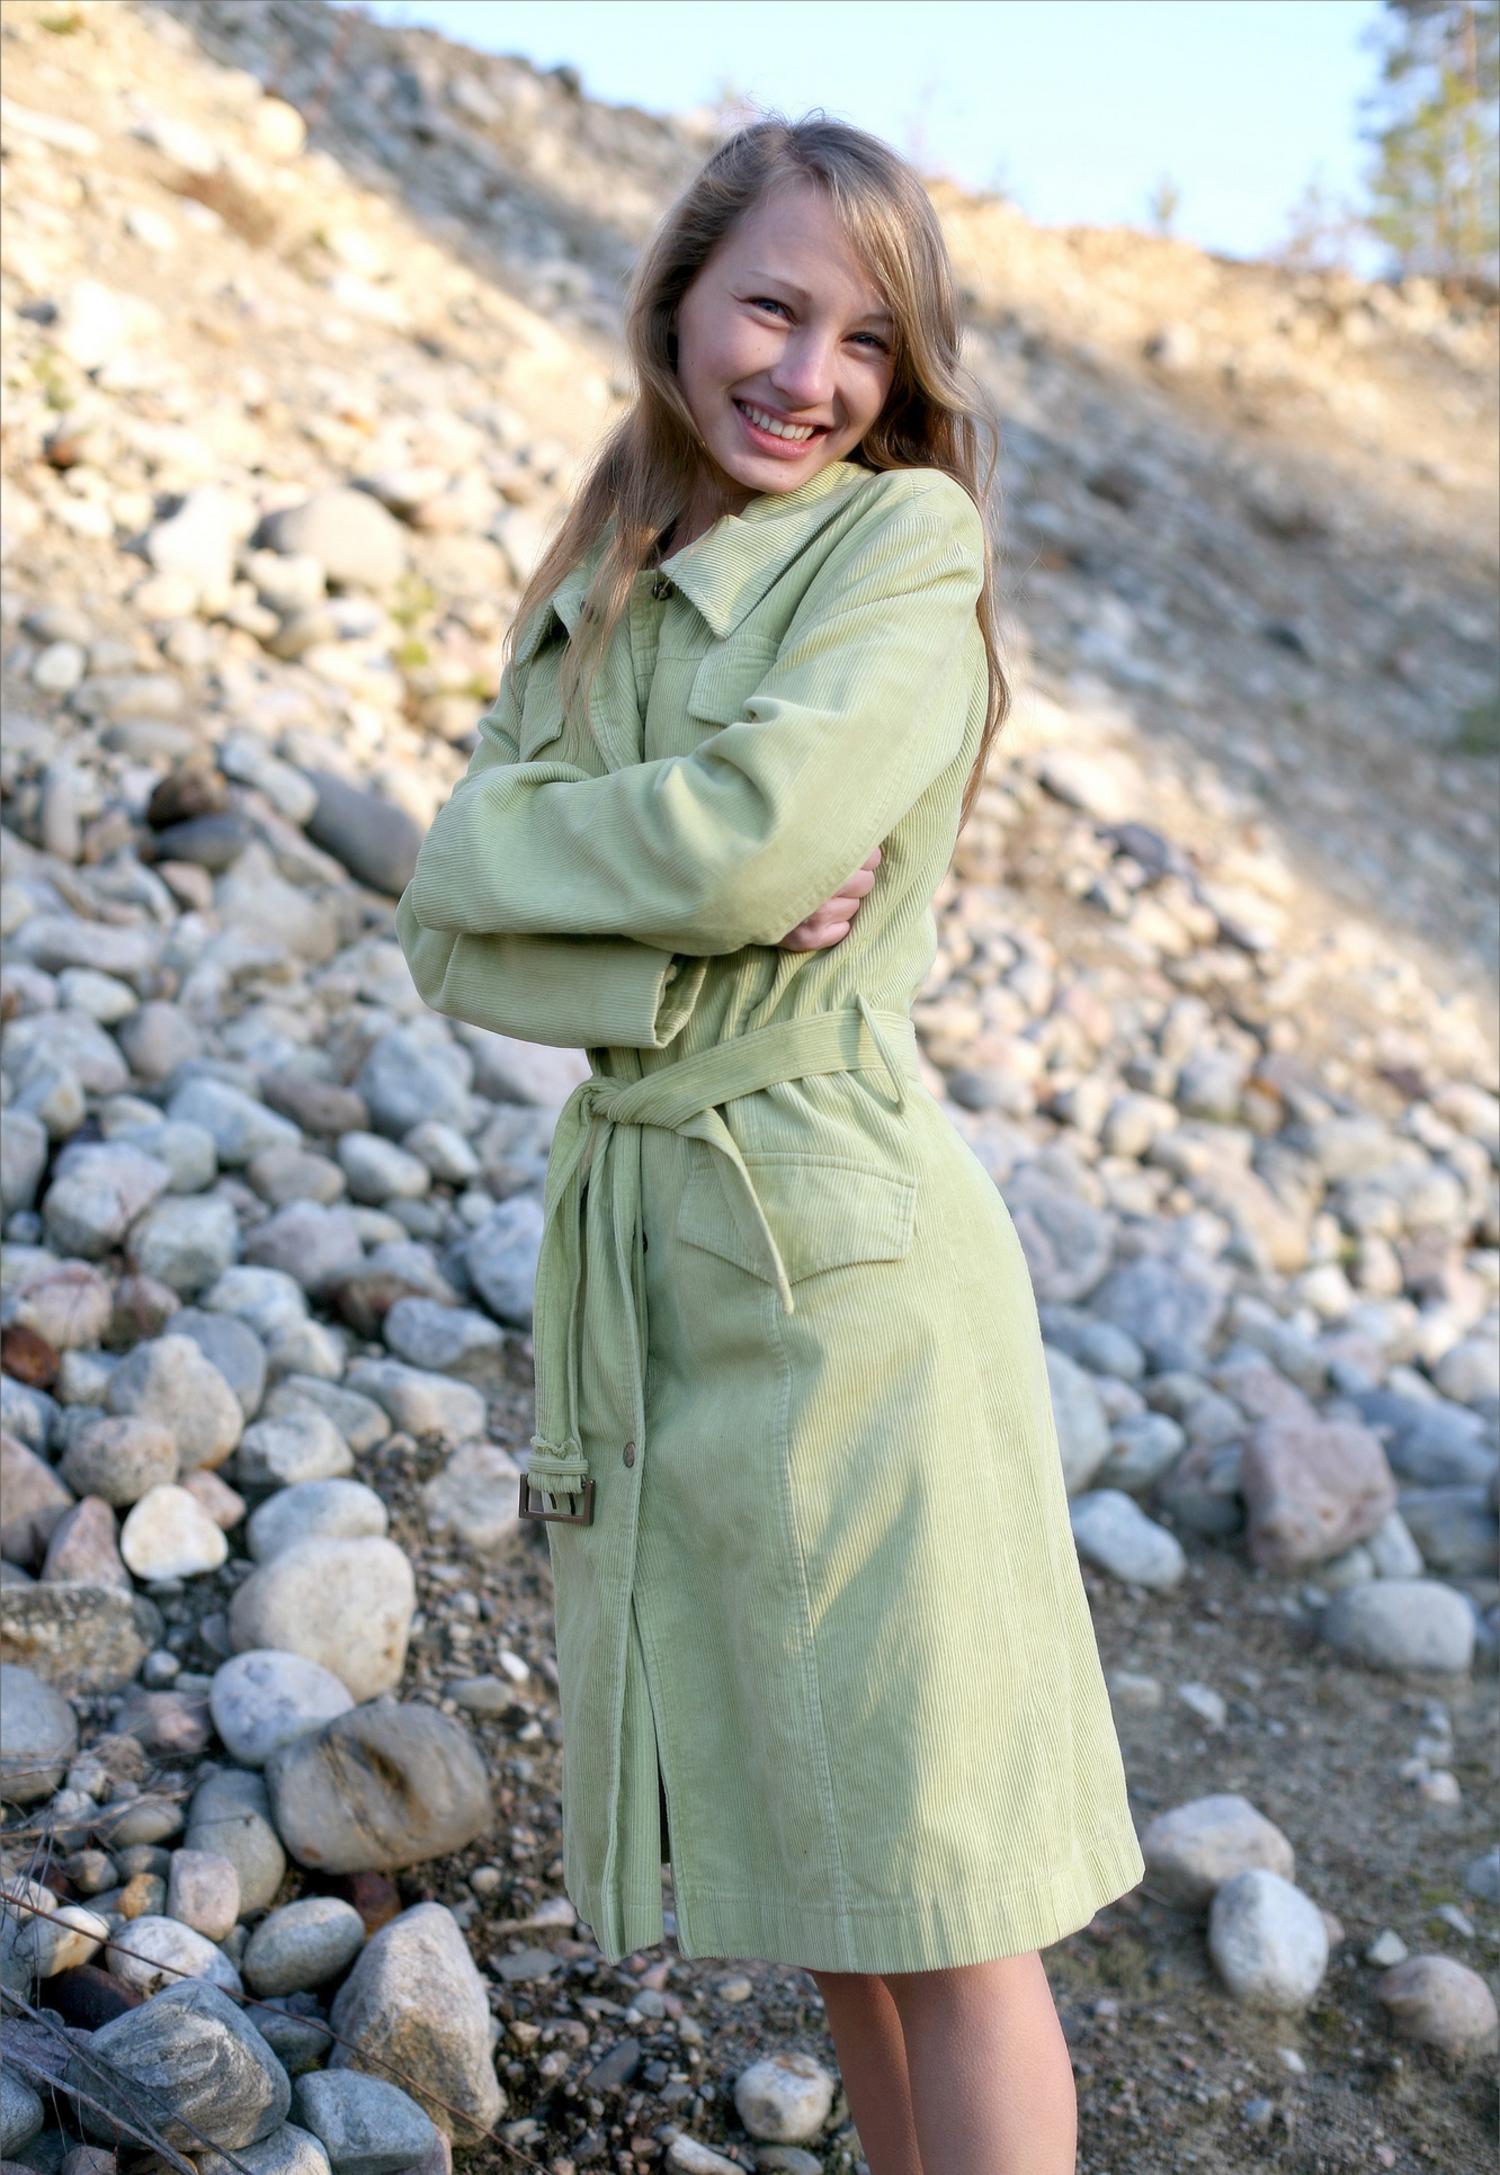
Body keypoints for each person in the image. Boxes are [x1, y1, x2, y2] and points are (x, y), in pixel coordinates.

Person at [397, 109, 1144, 2175]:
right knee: (834, 1895)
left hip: (846, 1268)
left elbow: (759, 841)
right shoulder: (604, 567)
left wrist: (574, 863)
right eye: (775, 309)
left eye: (869, 342)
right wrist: (645, 907)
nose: (810, 376)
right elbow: (449, 914)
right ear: (678, 301)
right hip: (661, 1262)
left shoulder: (901, 548)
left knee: (946, 1895)